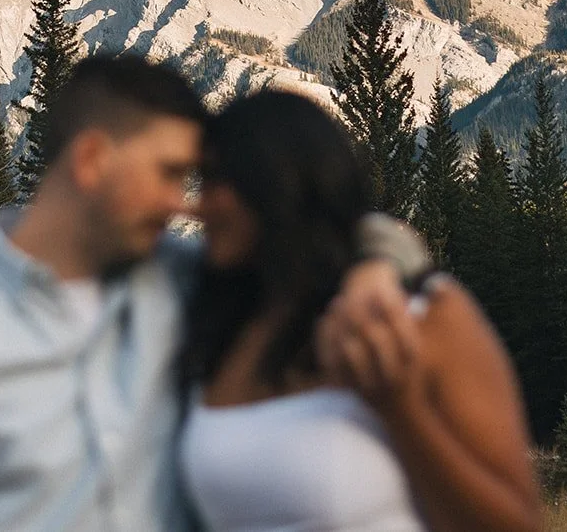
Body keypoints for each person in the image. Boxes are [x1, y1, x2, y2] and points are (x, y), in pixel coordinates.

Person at [0, 54, 432, 532]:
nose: (184, 203)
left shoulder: (181, 274)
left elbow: (325, 237)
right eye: (170, 174)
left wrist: (375, 267)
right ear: (92, 159)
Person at [182, 89, 542, 532]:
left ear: (275, 184)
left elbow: (517, 522)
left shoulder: (421, 316)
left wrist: (401, 406)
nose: (199, 206)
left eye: (217, 181)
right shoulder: (217, 323)